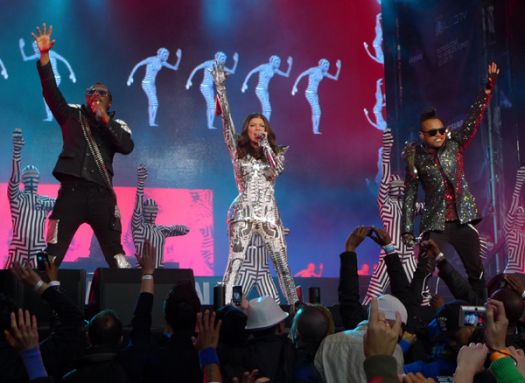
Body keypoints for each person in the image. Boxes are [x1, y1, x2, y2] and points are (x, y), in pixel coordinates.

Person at [33, 23, 134, 268]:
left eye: (101, 93)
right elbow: (50, 92)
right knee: (52, 254)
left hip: (102, 196)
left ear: (109, 101)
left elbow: (126, 146)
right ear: (86, 97)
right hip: (71, 194)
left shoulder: (117, 124)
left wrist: (105, 120)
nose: (96, 95)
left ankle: (129, 299)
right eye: (91, 92)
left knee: (117, 257)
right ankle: (45, 295)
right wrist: (45, 56)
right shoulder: (72, 115)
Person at [401, 62, 500, 300]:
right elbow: (410, 195)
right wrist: (406, 229)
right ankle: (414, 312)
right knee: (424, 269)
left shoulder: (455, 145)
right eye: (432, 132)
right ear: (422, 135)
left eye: (441, 130)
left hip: (463, 220)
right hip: (436, 224)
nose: (439, 135)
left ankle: (480, 312)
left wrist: (487, 88)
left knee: (476, 270)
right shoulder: (416, 157)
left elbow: (473, 119)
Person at [212, 62, 298, 305]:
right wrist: (220, 88)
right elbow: (226, 122)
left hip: (270, 215)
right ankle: (225, 309)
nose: (257, 129)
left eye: (261, 126)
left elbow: (278, 169)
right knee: (235, 263)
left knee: (283, 265)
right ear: (246, 130)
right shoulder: (238, 152)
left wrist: (267, 146)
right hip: (244, 212)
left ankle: (295, 311)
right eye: (253, 125)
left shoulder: (276, 152)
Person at [4, 129, 55, 268]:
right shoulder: (18, 197)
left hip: (36, 251)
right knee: (10, 283)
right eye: (30, 177)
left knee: (39, 284)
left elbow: (64, 204)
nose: (32, 180)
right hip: (19, 250)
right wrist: (17, 152)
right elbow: (14, 179)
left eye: (34, 177)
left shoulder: (42, 201)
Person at [132, 164, 189, 268]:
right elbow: (137, 207)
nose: (151, 213)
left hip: (160, 271)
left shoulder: (161, 230)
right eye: (148, 209)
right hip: (141, 271)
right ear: (144, 212)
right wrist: (141, 182)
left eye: (153, 210)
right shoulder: (138, 228)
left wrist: (169, 228)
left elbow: (185, 230)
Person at [19, 37, 76, 121]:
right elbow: (25, 58)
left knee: (50, 96)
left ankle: (61, 113)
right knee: (47, 96)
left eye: (36, 47)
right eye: (33, 48)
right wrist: (21, 48)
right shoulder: (39, 55)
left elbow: (64, 60)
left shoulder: (51, 53)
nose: (34, 49)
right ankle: (51, 116)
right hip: (49, 79)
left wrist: (72, 73)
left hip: (55, 78)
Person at [126, 47, 182, 127]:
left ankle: (151, 122)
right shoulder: (151, 59)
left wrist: (179, 58)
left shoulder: (162, 63)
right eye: (165, 54)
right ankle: (152, 122)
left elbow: (175, 68)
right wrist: (130, 77)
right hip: (146, 83)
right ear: (159, 53)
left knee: (151, 103)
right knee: (155, 103)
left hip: (152, 85)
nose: (166, 56)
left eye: (167, 55)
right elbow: (138, 65)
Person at [186, 51, 239, 130]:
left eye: (224, 58)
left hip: (210, 88)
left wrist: (236, 61)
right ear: (216, 57)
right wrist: (189, 80)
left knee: (210, 106)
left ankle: (210, 124)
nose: (223, 59)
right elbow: (196, 68)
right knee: (211, 105)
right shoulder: (209, 63)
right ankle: (210, 125)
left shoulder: (220, 67)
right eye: (221, 57)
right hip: (204, 87)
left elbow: (232, 71)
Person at [291, 58, 342, 135]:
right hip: (309, 93)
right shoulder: (313, 70)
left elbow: (335, 78)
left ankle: (315, 130)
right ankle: (315, 130)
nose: (327, 67)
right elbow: (302, 75)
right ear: (321, 64)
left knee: (315, 111)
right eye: (326, 65)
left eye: (328, 65)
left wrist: (339, 68)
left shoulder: (323, 73)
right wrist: (295, 86)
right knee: (317, 111)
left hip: (315, 94)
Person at [241, 55, 293, 120]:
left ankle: (263, 127)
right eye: (277, 61)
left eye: (279, 62)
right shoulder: (263, 67)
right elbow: (252, 72)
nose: (278, 63)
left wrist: (290, 65)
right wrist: (244, 83)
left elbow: (286, 75)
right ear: (272, 61)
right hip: (260, 90)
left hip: (265, 91)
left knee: (265, 110)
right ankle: (266, 127)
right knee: (268, 109)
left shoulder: (275, 70)